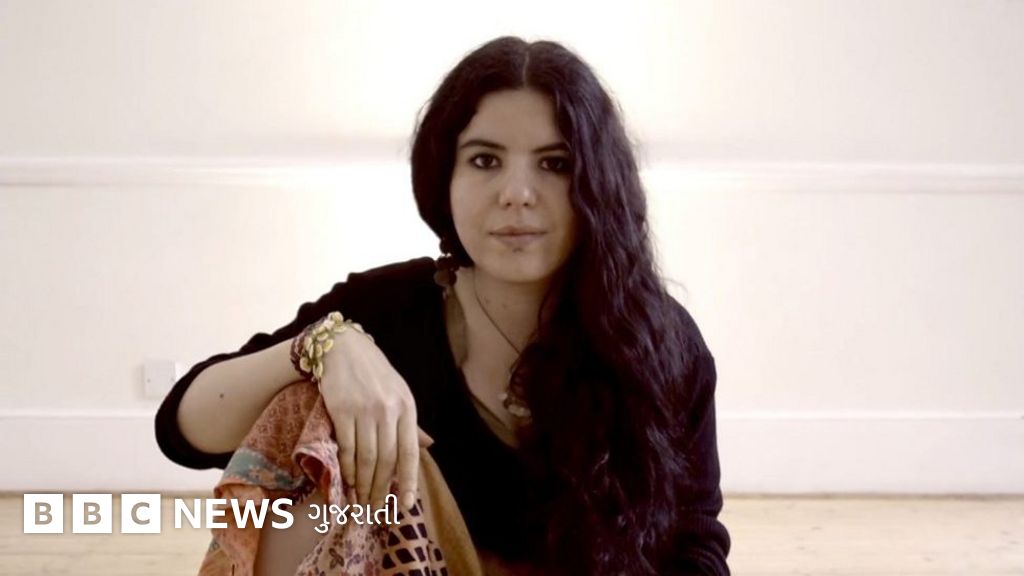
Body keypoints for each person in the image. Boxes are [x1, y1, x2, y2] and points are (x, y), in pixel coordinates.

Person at [156, 36, 731, 575]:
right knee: (305, 401)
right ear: (445, 176)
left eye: (555, 164)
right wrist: (325, 345)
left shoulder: (658, 341)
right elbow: (183, 429)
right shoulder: (389, 307)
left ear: (599, 184)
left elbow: (696, 545)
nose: (516, 194)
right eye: (484, 160)